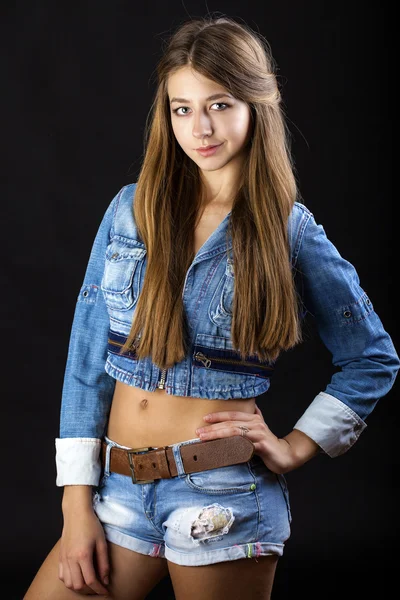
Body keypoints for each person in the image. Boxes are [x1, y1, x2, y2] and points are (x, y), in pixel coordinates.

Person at [25, 14, 399, 600]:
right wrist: (77, 507)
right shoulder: (129, 212)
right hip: (117, 488)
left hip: (220, 494)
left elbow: (373, 357)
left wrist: (296, 446)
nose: (200, 127)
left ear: (256, 104)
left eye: (219, 104)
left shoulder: (287, 231)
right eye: (182, 108)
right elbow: (85, 360)